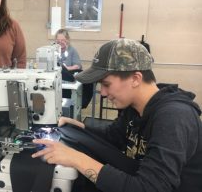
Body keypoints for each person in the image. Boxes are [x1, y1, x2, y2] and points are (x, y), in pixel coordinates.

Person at [32, 38, 202, 192]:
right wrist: (76, 125)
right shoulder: (134, 108)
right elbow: (112, 137)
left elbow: (149, 187)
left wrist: (77, 159)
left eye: (106, 84)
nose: (103, 93)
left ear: (135, 78)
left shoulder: (174, 117)